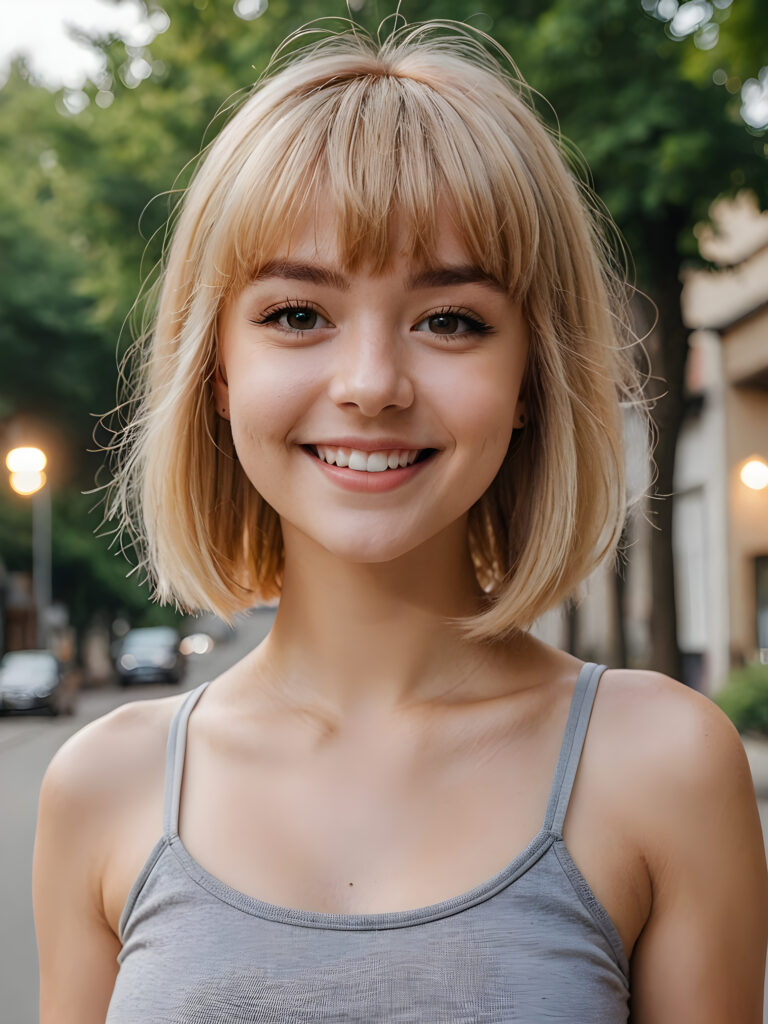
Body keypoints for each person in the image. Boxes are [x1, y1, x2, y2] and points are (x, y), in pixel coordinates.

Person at [32, 19, 768, 1024]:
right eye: (297, 313)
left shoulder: (665, 767)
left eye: (450, 319)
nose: (372, 384)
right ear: (216, 371)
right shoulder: (100, 786)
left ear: (529, 381)